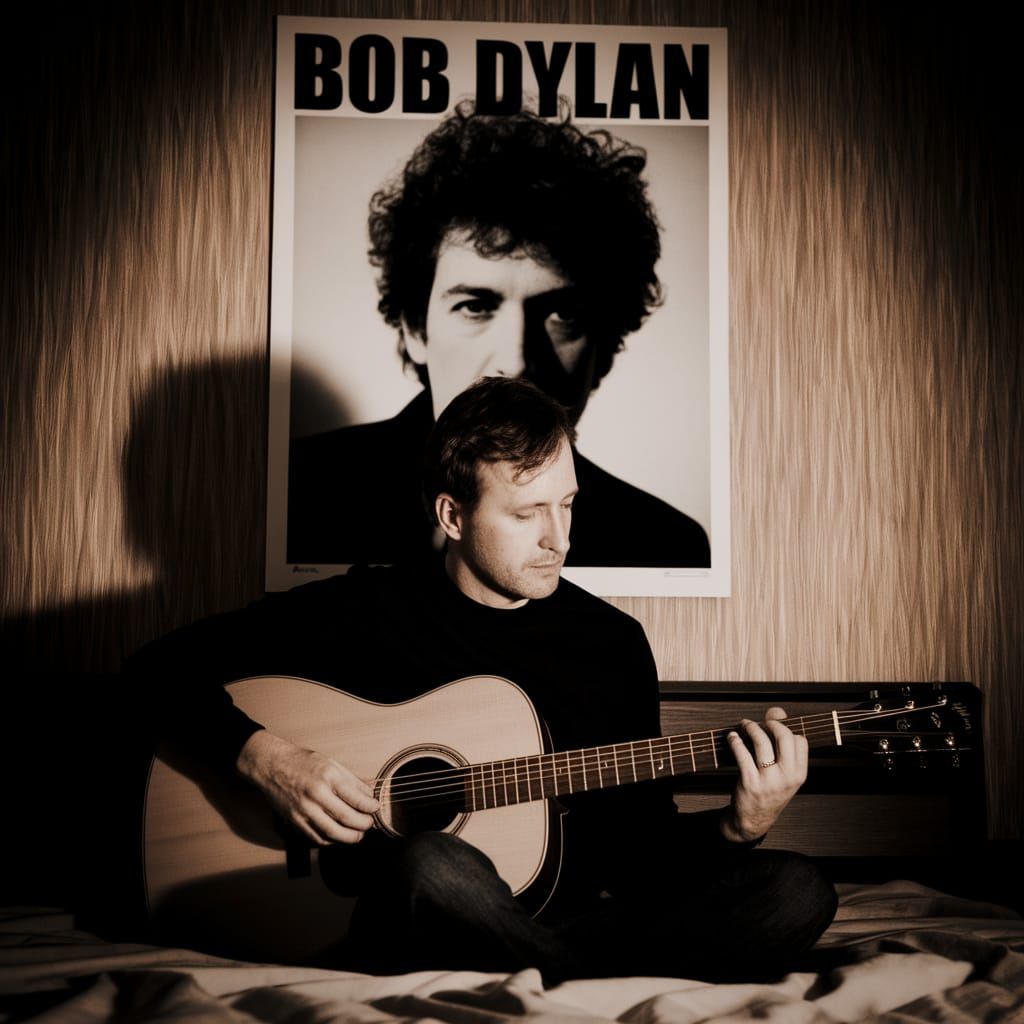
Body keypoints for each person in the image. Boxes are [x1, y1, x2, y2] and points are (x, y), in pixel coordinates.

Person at [133, 377, 835, 983]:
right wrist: (269, 759)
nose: (559, 538)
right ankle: (582, 994)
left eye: (567, 504)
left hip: (575, 925)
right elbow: (156, 669)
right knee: (434, 865)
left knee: (799, 889)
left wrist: (738, 828)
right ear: (453, 515)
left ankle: (555, 980)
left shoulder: (611, 645)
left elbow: (641, 858)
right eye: (528, 513)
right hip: (413, 915)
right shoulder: (364, 611)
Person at [286, 101, 711, 569]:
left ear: (605, 347)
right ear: (414, 329)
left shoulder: (661, 547)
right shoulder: (294, 492)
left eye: (562, 313)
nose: (516, 361)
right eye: (475, 306)